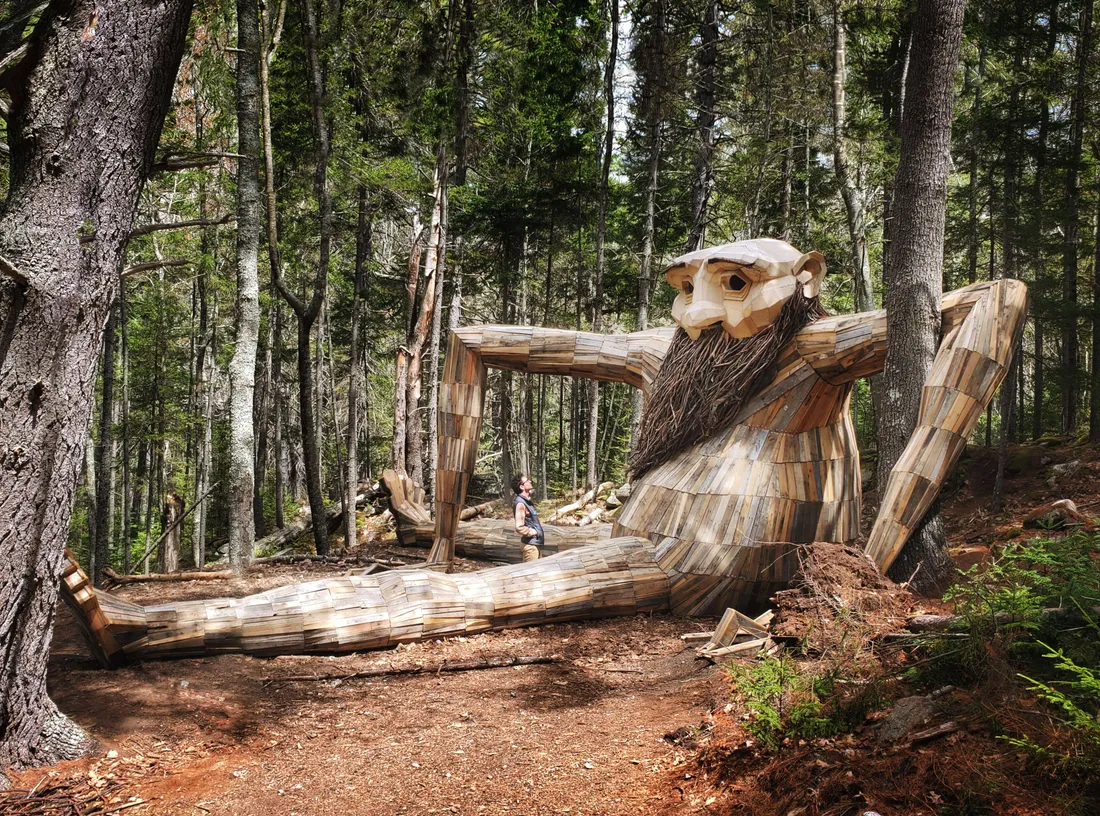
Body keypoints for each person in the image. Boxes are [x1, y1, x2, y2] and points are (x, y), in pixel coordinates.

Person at [510, 473, 545, 562]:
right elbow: (519, 527)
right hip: (530, 547)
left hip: (535, 545)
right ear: (522, 487)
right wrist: (531, 532)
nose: (530, 481)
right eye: (527, 481)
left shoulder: (526, 502)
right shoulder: (520, 504)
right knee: (531, 571)